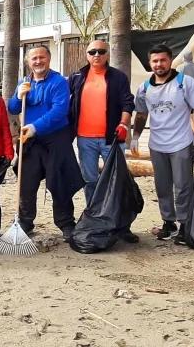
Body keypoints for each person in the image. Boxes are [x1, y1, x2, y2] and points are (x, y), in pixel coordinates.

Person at [132, 44, 194, 243]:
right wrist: (135, 137)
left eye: (163, 60)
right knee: (162, 186)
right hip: (157, 145)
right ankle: (168, 222)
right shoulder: (145, 88)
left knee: (183, 185)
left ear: (170, 60)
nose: (159, 64)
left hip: (181, 143)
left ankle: (185, 224)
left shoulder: (185, 83)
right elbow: (141, 114)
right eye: (155, 61)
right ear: (150, 63)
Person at [8, 46, 84, 241]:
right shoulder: (25, 82)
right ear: (28, 61)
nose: (38, 61)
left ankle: (66, 222)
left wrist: (34, 127)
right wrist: (18, 95)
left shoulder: (59, 82)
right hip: (30, 141)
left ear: (49, 59)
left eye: (42, 57)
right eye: (34, 58)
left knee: (59, 182)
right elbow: (13, 108)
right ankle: (25, 221)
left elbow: (60, 110)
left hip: (55, 138)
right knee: (27, 182)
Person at [67, 40, 139, 243]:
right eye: (92, 52)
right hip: (84, 139)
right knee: (90, 181)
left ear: (107, 54)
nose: (96, 55)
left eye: (101, 51)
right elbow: (67, 104)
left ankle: (122, 225)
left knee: (117, 182)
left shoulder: (118, 77)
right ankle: (95, 220)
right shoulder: (77, 77)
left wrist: (124, 124)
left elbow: (127, 103)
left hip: (111, 139)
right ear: (86, 54)